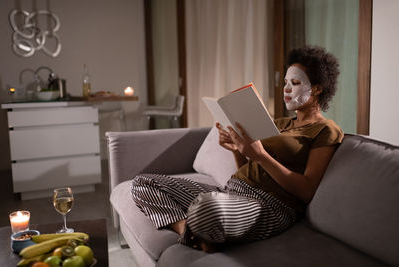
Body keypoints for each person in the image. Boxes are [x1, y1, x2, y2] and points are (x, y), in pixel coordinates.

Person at [130, 45, 343, 252]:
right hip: (232, 191)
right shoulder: (280, 123)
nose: (286, 88)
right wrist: (236, 149)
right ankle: (186, 229)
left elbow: (306, 191)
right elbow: (251, 168)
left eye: (295, 82)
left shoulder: (326, 130)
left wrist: (260, 155)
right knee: (142, 183)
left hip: (269, 206)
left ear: (317, 89)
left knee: (206, 207)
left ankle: (204, 227)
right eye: (286, 82)